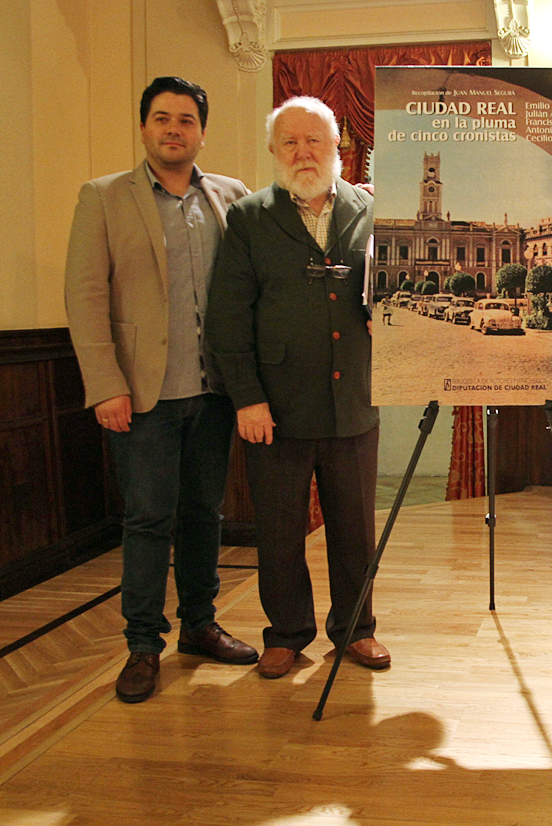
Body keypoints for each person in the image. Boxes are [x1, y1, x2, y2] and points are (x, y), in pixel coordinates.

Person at [64, 76, 257, 704]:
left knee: (205, 515)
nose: (173, 129)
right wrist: (104, 386)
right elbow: (87, 299)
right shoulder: (103, 197)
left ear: (202, 131)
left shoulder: (233, 197)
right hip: (141, 397)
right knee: (148, 520)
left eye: (185, 120)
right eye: (161, 118)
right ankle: (143, 644)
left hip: (213, 393)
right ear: (144, 126)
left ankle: (199, 625)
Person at [205, 96, 387, 680]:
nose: (303, 152)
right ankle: (285, 634)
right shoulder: (250, 218)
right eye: (290, 142)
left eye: (315, 140)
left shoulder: (372, 211)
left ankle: (356, 629)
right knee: (280, 530)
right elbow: (229, 317)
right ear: (274, 151)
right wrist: (247, 398)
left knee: (355, 527)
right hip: (275, 409)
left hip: (354, 400)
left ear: (340, 147)